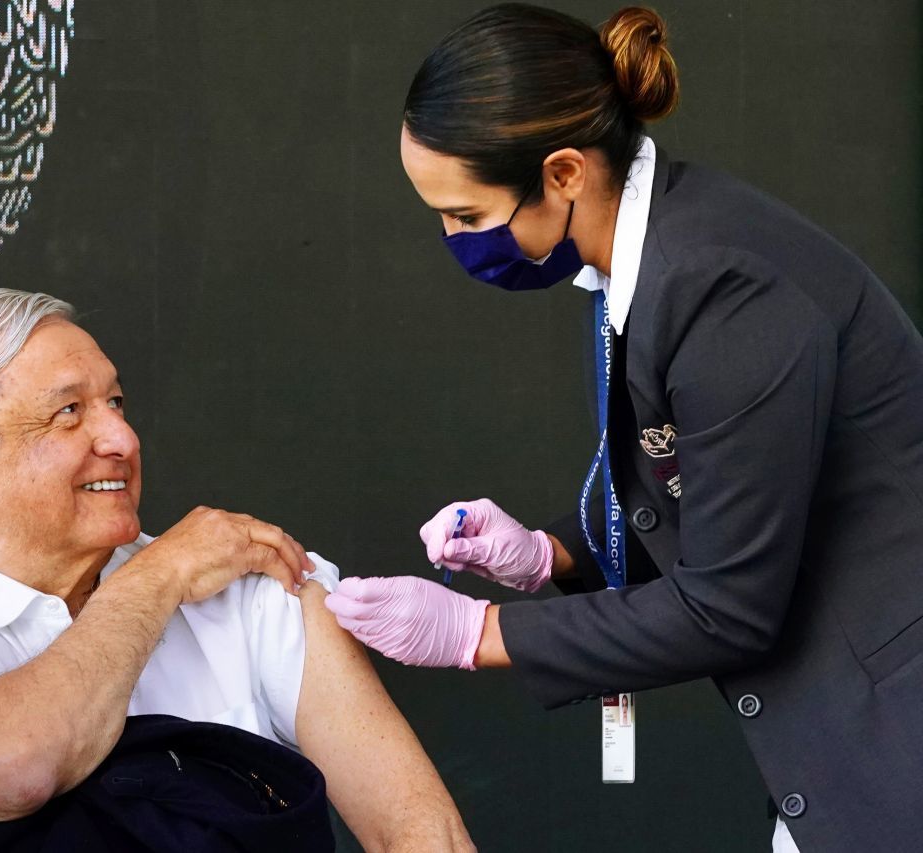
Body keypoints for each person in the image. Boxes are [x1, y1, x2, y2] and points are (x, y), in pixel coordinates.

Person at [323, 5, 923, 852]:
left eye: (465, 214)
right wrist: (549, 554)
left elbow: (728, 607)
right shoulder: (634, 260)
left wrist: (474, 633)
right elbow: (713, 489)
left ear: (563, 171)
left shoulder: (726, 290)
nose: (453, 240)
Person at [0, 289, 473, 853]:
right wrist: (161, 573)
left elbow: (419, 832)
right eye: (69, 412)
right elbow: (8, 769)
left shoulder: (253, 588)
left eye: (115, 403)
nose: (121, 439)